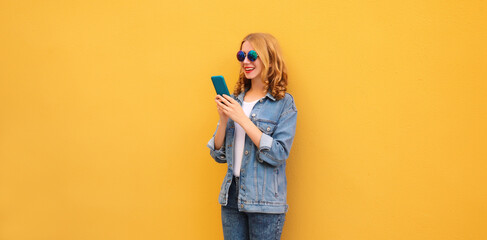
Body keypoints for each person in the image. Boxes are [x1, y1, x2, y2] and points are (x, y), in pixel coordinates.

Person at [207, 33, 297, 240]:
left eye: (252, 55)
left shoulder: (284, 103)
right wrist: (223, 119)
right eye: (241, 55)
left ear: (268, 58)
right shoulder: (235, 101)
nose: (245, 61)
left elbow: (278, 154)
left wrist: (243, 120)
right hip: (231, 197)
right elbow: (218, 154)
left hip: (264, 201)